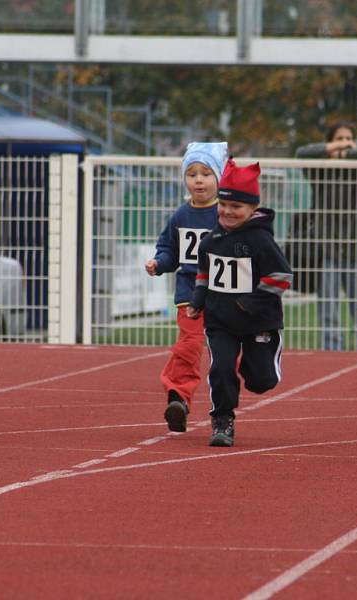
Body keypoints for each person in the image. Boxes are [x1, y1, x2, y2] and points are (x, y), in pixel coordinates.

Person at [188, 158, 293, 447]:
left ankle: (254, 362)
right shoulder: (212, 239)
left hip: (258, 320)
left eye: (237, 207)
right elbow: (204, 272)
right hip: (220, 320)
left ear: (252, 209)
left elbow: (281, 275)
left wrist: (250, 303)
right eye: (224, 204)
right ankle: (222, 420)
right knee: (221, 368)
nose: (228, 211)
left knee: (261, 382)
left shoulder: (260, 240)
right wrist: (198, 300)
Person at [145, 141, 228, 432]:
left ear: (219, 177)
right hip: (189, 294)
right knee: (190, 345)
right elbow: (169, 249)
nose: (199, 180)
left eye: (206, 173)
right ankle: (177, 397)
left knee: (225, 353)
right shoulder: (180, 216)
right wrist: (159, 263)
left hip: (223, 293)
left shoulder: (226, 214)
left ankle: (224, 408)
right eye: (192, 174)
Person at [295, 121, 357, 351]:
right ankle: (331, 353)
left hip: (356, 250)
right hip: (328, 250)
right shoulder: (319, 170)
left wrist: (350, 151)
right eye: (339, 139)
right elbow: (302, 153)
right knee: (329, 309)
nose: (344, 144)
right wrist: (331, 149)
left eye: (348, 139)